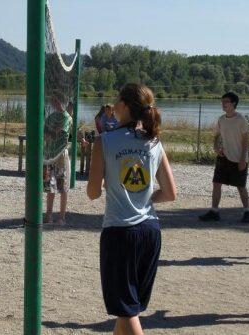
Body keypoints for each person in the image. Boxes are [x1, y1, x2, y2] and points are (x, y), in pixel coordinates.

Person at [87, 83, 176, 335]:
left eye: (117, 101)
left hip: (120, 233)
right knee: (127, 308)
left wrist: (111, 186)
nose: (113, 105)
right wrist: (142, 198)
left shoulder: (104, 141)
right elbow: (170, 193)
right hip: (150, 231)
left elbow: (92, 193)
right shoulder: (154, 142)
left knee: (127, 311)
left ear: (124, 106)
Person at [199, 92, 249, 223]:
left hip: (239, 158)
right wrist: (215, 147)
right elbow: (217, 135)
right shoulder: (221, 119)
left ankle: (248, 212)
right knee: (216, 183)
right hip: (224, 156)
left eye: (226, 101)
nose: (223, 104)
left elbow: (246, 140)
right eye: (222, 101)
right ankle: (214, 211)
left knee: (241, 186)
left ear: (233, 103)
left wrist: (242, 159)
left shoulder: (241, 119)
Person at [43, 95, 73, 225]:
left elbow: (61, 132)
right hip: (50, 156)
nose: (54, 102)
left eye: (56, 100)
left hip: (61, 156)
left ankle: (62, 217)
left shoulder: (67, 116)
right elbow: (44, 133)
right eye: (52, 100)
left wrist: (51, 133)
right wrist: (49, 134)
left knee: (63, 186)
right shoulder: (50, 117)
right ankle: (48, 216)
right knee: (50, 186)